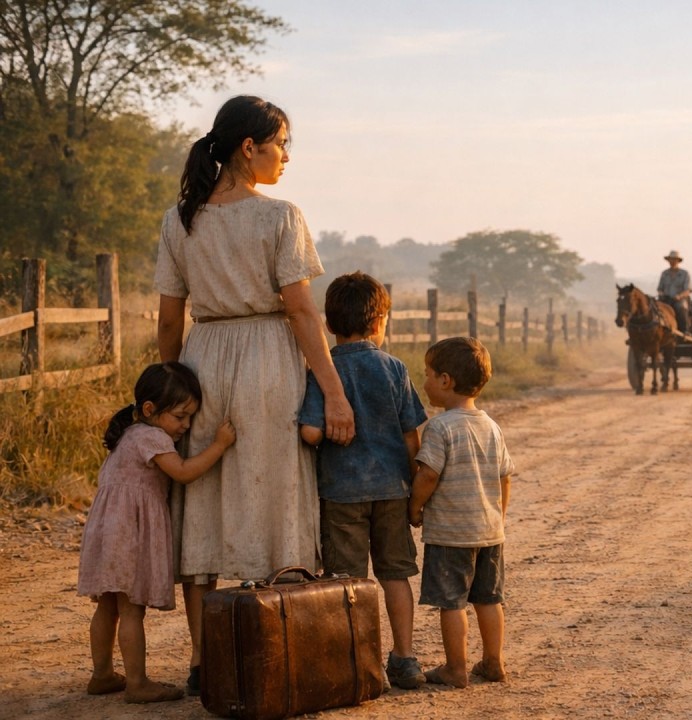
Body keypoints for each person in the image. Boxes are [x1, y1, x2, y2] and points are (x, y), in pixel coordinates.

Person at [155, 95, 355, 696]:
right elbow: (298, 310)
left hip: (201, 360)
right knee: (277, 498)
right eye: (282, 144)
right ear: (251, 147)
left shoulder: (180, 218)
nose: (287, 157)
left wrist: (173, 389)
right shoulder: (280, 217)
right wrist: (334, 392)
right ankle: (280, 649)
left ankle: (202, 662)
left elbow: (169, 319)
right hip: (268, 358)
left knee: (204, 504)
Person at [298, 271, 429, 690]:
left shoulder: (323, 371)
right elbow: (412, 435)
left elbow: (312, 433)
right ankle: (405, 658)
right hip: (392, 488)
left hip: (341, 493)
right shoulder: (394, 368)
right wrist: (412, 491)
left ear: (330, 324)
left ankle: (357, 659)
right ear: (379, 323)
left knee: (347, 583)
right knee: (395, 575)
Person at [78, 362, 236, 704]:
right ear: (150, 410)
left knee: (107, 606)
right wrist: (219, 445)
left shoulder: (129, 433)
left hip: (108, 531)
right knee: (132, 608)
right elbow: (182, 472)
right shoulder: (152, 437)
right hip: (128, 534)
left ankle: (102, 674)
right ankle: (137, 683)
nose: (186, 425)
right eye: (180, 416)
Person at [409, 337, 514, 689]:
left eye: (427, 374)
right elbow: (504, 478)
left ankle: (455, 668)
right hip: (489, 531)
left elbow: (428, 474)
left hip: (450, 534)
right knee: (489, 598)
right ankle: (493, 661)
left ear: (445, 380)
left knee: (452, 602)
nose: (423, 382)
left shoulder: (440, 427)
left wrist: (414, 506)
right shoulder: (491, 426)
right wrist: (498, 516)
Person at [657, 249, 692, 333]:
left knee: (681, 307)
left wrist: (679, 296)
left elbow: (688, 290)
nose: (672, 262)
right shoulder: (664, 273)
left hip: (680, 300)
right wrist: (661, 294)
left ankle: (685, 330)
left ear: (678, 261)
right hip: (666, 300)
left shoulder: (684, 274)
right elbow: (659, 289)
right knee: (656, 308)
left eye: (674, 260)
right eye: (671, 260)